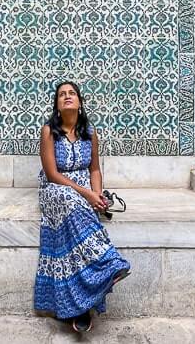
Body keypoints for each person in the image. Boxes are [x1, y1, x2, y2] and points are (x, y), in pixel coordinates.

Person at [34, 81, 131, 333]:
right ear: (57, 104)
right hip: (56, 190)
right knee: (73, 203)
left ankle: (79, 307)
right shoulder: (48, 132)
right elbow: (52, 174)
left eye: (71, 93)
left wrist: (98, 195)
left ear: (79, 101)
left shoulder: (90, 132)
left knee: (81, 215)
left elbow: (95, 169)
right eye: (61, 95)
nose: (67, 97)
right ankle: (108, 264)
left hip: (85, 191)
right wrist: (86, 193)